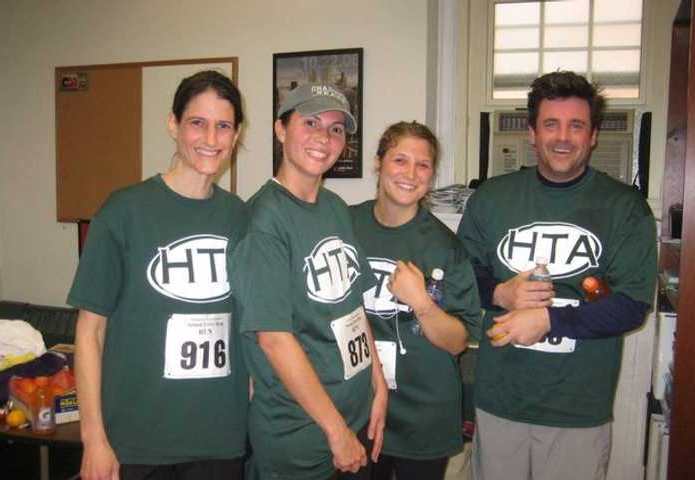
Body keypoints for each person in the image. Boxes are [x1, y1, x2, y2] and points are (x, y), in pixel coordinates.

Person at [457, 71, 657, 480]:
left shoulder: (626, 208)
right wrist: (500, 293)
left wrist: (549, 321)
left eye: (576, 125)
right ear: (532, 132)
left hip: (578, 409)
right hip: (500, 402)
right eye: (551, 124)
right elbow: (464, 277)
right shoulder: (492, 199)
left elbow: (632, 306)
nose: (562, 137)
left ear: (594, 135)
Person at [68, 70, 248, 480]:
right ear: (173, 124)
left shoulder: (240, 217)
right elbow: (89, 332)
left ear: (236, 135)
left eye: (223, 126)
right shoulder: (123, 212)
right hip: (138, 441)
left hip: (219, 437)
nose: (210, 138)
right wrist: (93, 438)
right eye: (197, 123)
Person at [230, 83, 388, 480]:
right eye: (311, 122)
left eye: (336, 129)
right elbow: (274, 339)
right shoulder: (263, 222)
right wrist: (336, 432)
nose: (324, 137)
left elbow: (353, 307)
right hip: (301, 433)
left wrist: (378, 384)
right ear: (280, 130)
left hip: (352, 412)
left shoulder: (334, 208)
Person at [349, 121, 482, 480]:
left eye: (422, 165)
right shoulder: (346, 225)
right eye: (399, 161)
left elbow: (458, 342)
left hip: (423, 413)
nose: (410, 174)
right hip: (357, 405)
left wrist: (421, 303)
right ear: (378, 163)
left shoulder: (444, 246)